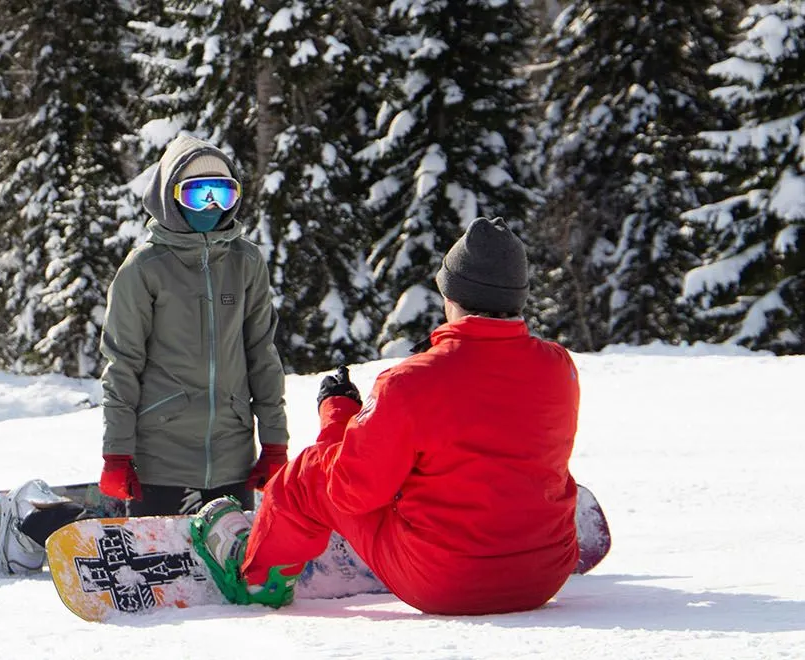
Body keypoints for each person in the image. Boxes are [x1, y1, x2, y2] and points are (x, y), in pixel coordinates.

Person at [193, 218, 582, 615]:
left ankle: (257, 579)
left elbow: (349, 489)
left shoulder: (411, 382)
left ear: (452, 296)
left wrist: (339, 414)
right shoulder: (558, 365)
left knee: (305, 476)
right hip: (543, 576)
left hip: (445, 582)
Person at [97, 136, 290, 517]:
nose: (213, 206)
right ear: (171, 198)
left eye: (224, 193)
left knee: (227, 571)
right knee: (162, 571)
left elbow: (262, 355)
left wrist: (274, 443)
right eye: (199, 195)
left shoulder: (246, 262)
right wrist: (117, 453)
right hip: (161, 459)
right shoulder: (144, 269)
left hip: (233, 456)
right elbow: (122, 364)